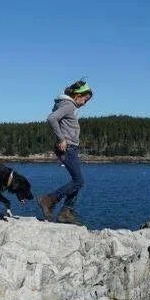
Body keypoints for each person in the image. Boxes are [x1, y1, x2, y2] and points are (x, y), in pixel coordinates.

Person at [38, 79, 93, 224]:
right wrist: (62, 139)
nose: (85, 103)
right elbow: (51, 119)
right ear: (77, 95)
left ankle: (66, 212)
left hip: (70, 148)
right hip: (67, 148)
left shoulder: (68, 106)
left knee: (77, 181)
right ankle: (49, 200)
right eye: (84, 99)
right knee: (79, 181)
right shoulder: (68, 105)